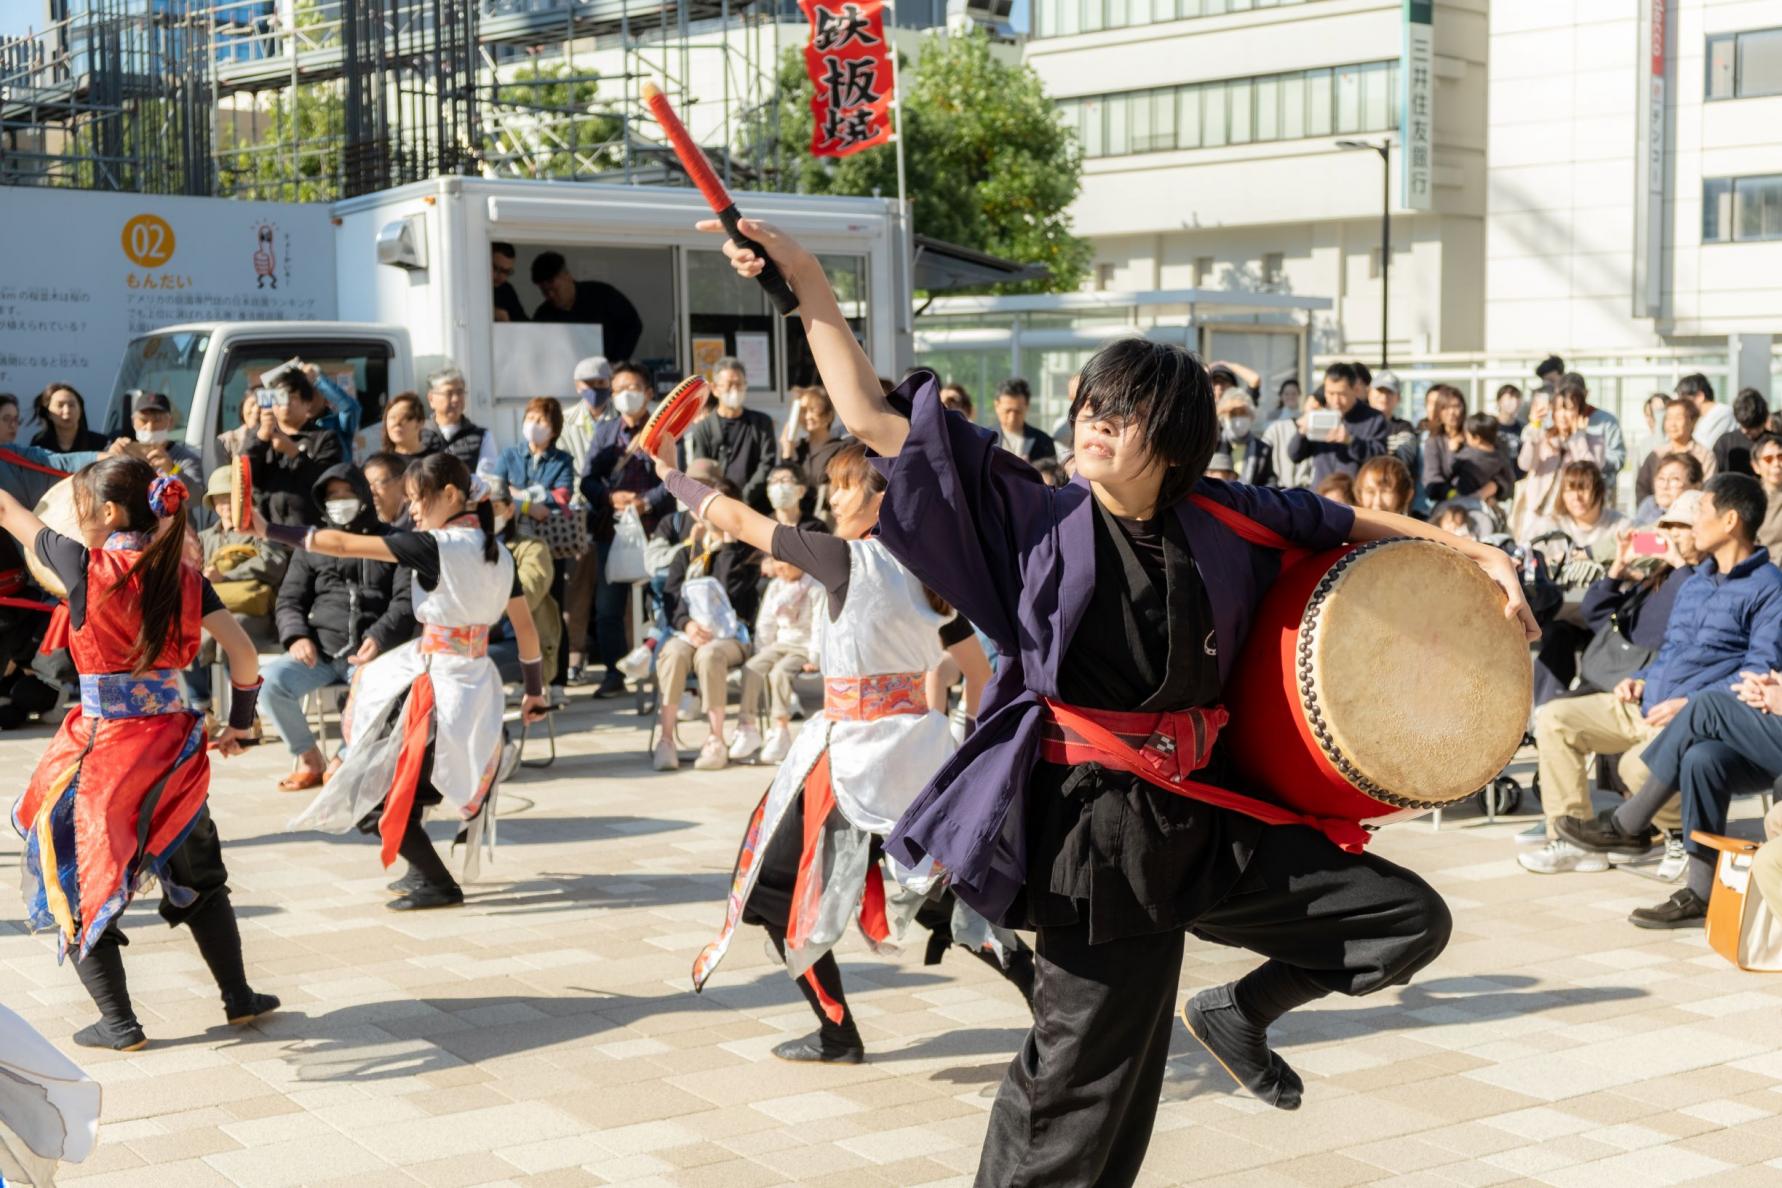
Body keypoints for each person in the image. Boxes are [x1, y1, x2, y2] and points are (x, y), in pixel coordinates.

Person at [703, 217, 1540, 1182]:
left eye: (1123, 412)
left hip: (1206, 815)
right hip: (1096, 839)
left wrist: (1472, 551)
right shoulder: (1037, 516)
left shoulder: (1223, 510)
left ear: (1174, 442)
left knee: (1401, 919)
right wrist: (802, 280)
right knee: (1085, 1084)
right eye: (1092, 403)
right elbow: (876, 416)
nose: (1094, 421)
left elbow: (1343, 516)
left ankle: (1240, 1013)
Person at [678, 439, 1032, 1063]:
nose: (830, 496)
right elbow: (977, 674)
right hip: (921, 758)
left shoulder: (844, 558)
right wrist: (967, 752)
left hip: (851, 760)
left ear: (881, 499)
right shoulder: (933, 575)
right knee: (936, 895)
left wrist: (671, 478)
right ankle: (1059, 1010)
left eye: (844, 484)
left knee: (772, 895)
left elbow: (735, 519)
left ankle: (837, 1033)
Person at [5, 457, 275, 1050]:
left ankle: (119, 1022)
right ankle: (239, 998)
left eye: (79, 508)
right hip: (172, 747)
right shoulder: (184, 574)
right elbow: (245, 656)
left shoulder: (81, 563)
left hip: (105, 750)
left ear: (107, 513)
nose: (71, 519)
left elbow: (6, 509)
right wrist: (241, 725)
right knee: (197, 867)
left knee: (78, 874)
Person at [274, 454, 547, 909]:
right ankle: (419, 871)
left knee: (368, 788)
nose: (413, 509)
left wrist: (266, 528)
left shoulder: (436, 545)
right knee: (407, 784)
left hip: (436, 690)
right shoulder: (495, 552)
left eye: (418, 499)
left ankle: (435, 881)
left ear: (452, 495)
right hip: (472, 689)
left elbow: (341, 545)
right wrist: (535, 691)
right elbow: (526, 631)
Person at [1521, 474, 1782, 875]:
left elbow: (1757, 673)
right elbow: (1673, 650)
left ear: (1729, 521)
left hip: (1692, 716)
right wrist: (1644, 680)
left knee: (1635, 767)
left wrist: (1689, 704)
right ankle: (1576, 841)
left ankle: (1665, 833)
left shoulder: (1769, 587)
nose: (1691, 526)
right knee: (1556, 718)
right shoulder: (1695, 585)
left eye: (1698, 514)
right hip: (1647, 702)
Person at [261, 464, 415, 791]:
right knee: (271, 683)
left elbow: (404, 602)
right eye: (333, 495)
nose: (340, 500)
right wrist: (297, 636)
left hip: (371, 654)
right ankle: (309, 757)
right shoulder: (313, 544)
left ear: (363, 496)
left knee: (383, 698)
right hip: (321, 651)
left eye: (347, 493)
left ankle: (343, 758)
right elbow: (289, 600)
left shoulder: (393, 542)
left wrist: (379, 636)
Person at [1531, 494, 1703, 711]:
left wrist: (1678, 562)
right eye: (1668, 526)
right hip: (1608, 661)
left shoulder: (1699, 578)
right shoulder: (1660, 574)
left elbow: (1698, 603)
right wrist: (1617, 570)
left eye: (1682, 526)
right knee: (1558, 632)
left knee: (1556, 714)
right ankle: (1542, 711)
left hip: (1634, 681)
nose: (1673, 533)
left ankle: (1545, 715)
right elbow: (1594, 614)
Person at [653, 478, 760, 772]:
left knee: (709, 654)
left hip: (731, 636)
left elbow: (730, 593)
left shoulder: (747, 553)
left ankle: (715, 738)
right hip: (691, 633)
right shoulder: (687, 553)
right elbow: (672, 598)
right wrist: (687, 625)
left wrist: (726, 542)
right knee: (673, 653)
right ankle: (665, 739)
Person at [575, 361, 668, 696]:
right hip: (613, 530)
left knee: (663, 599)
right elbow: (587, 479)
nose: (625, 396)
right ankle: (614, 674)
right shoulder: (606, 432)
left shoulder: (666, 428)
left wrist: (646, 502)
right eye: (618, 391)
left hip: (657, 528)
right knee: (608, 608)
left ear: (648, 392)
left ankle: (663, 668)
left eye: (633, 388)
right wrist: (611, 497)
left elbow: (676, 479)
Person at [192, 467, 289, 716]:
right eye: (221, 497)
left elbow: (273, 564)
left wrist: (225, 574)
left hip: (253, 612)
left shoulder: (262, 531)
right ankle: (201, 707)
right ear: (212, 503)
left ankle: (245, 712)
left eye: (232, 496)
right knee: (184, 633)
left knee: (233, 634)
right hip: (210, 610)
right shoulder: (202, 538)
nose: (227, 504)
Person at [731, 556, 818, 765]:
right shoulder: (776, 586)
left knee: (779, 673)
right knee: (751, 668)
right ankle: (748, 726)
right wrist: (762, 652)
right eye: (776, 564)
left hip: (804, 646)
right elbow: (766, 623)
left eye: (784, 564)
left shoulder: (815, 587)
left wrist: (815, 657)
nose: (779, 569)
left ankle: (780, 730)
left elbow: (820, 625)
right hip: (780, 644)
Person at [244, 367, 346, 528]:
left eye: (291, 397)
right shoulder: (260, 435)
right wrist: (262, 437)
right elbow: (242, 473)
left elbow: (326, 483)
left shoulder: (325, 438)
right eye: (279, 397)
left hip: (311, 534)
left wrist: (293, 452)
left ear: (307, 403)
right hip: (269, 533)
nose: (284, 404)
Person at [488, 480, 563, 687]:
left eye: (494, 508)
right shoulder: (468, 549)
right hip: (472, 640)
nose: (486, 515)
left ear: (510, 509)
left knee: (476, 665)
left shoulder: (532, 549)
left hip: (521, 645)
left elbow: (527, 594)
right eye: (480, 508)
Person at [1513, 382, 1604, 544]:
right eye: (1559, 409)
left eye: (1569, 409)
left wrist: (1579, 437)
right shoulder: (1543, 436)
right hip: (1535, 511)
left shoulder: (1593, 441)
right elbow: (1525, 464)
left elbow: (1591, 473)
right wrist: (1534, 428)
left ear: (1580, 412)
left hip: (1567, 517)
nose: (1563, 415)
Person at [685, 357, 778, 513]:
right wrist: (724, 499)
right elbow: (702, 471)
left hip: (756, 506)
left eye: (739, 384)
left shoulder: (761, 423)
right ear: (714, 388)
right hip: (719, 508)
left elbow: (767, 463)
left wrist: (743, 497)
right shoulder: (703, 428)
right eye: (729, 384)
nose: (735, 389)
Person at [529, 250, 643, 361]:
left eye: (554, 289)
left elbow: (633, 324)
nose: (551, 295)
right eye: (544, 292)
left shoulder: (602, 295)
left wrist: (616, 362)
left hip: (606, 373)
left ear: (567, 275)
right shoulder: (543, 315)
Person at [1289, 362, 1387, 484]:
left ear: (1354, 389)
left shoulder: (1374, 418)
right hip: (1321, 493)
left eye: (1342, 394)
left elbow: (1380, 459)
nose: (1336, 400)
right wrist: (1302, 432)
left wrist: (1351, 441)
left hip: (1354, 495)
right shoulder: (1319, 414)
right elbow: (1294, 455)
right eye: (1330, 393)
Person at [495, 397, 574, 521]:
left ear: (553, 431)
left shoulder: (563, 461)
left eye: (541, 420)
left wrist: (521, 495)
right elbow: (495, 490)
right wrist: (529, 505)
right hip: (512, 525)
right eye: (530, 418)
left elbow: (562, 495)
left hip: (548, 526)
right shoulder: (508, 455)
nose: (533, 424)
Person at [419, 368, 498, 479]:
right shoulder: (418, 434)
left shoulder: (482, 436)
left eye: (460, 392)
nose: (456, 399)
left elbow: (487, 478)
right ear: (431, 399)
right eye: (449, 393)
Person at [1635, 398, 1715, 505]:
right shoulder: (1657, 454)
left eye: (1678, 418)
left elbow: (1708, 490)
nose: (1672, 424)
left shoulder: (1705, 456)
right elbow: (1642, 487)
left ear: (1692, 421)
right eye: (1668, 418)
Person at [784, 387, 850, 516]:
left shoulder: (842, 449)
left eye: (813, 410)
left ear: (829, 414)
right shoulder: (797, 447)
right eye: (803, 411)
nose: (807, 416)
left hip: (826, 520)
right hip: (797, 519)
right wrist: (787, 452)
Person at [556, 356, 612, 482]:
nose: (595, 388)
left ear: (610, 383)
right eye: (589, 384)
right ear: (577, 386)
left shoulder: (624, 417)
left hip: (618, 496)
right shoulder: (564, 421)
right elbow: (562, 467)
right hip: (579, 497)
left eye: (601, 382)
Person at [1566, 373, 1626, 486]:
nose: (1572, 403)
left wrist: (1597, 463)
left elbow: (1618, 458)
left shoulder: (1607, 421)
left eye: (1577, 397)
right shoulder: (1554, 422)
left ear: (1586, 393)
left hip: (1599, 488)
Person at [1450, 415, 1516, 504]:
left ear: (1477, 439)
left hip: (1464, 502)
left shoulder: (1468, 456)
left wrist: (1453, 451)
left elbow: (1449, 471)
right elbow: (1510, 480)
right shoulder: (1501, 455)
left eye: (1467, 435)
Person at [1419, 386, 1469, 504]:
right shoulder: (1433, 441)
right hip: (1446, 502)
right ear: (1438, 411)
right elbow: (1432, 479)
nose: (1452, 412)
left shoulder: (1473, 436)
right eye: (1445, 407)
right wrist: (1452, 494)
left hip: (1477, 499)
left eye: (1456, 406)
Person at [30, 383, 109, 455]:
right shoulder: (40, 443)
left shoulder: (101, 443)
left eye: (71, 405)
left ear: (80, 410)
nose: (67, 411)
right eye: (60, 405)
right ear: (48, 413)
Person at [1216, 390, 1273, 486]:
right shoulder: (1215, 443)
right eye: (1233, 413)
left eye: (1242, 413)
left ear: (1251, 416)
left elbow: (1269, 482)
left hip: (1250, 499)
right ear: (1224, 416)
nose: (1238, 418)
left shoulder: (1263, 449)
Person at [1262, 377, 1311, 489]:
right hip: (1279, 482)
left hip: (1303, 483)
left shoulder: (1306, 419)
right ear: (1281, 396)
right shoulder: (1273, 420)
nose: (1290, 397)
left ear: (1299, 395)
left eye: (1294, 393)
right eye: (1287, 394)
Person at [992, 378, 1056, 463]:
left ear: (1027, 406)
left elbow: (1050, 473)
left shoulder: (1043, 442)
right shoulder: (985, 440)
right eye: (1007, 411)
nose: (1012, 417)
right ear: (997, 406)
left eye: (1017, 412)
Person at [1633, 452, 1704, 527]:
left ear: (1696, 487)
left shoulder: (1697, 515)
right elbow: (1637, 535)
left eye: (1675, 479)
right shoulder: (1649, 504)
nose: (1664, 486)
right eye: (1661, 478)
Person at [1714, 387, 1770, 477]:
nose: (1745, 431)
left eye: (1752, 427)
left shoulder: (1775, 443)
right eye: (1743, 425)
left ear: (1763, 422)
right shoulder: (1725, 443)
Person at [1681, 373, 1734, 449]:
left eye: (1684, 400)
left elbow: (1707, 448)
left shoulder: (1724, 413)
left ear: (1699, 396)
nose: (1683, 405)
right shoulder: (1700, 418)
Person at [380, 392, 434, 459]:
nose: (397, 423)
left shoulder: (434, 461)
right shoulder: (379, 463)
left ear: (420, 423)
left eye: (404, 417)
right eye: (392, 417)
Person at [362, 452, 410, 525]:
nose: (371, 491)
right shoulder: (364, 524)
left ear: (402, 482)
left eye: (379, 483)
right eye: (366, 484)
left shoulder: (419, 519)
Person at [1754, 433, 1782, 551]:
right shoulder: (1751, 498)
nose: (1776, 464)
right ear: (1756, 467)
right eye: (1768, 459)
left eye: (1780, 457)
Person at [490, 241, 529, 324]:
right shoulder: (471, 285)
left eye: (506, 272)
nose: (501, 276)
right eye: (495, 268)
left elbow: (523, 324)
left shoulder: (506, 290)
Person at [1495, 383, 1526, 465]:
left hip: (1518, 475)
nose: (1514, 401)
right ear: (1499, 401)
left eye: (1517, 397)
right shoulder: (1490, 426)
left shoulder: (1523, 427)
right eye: (1510, 397)